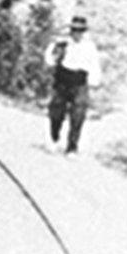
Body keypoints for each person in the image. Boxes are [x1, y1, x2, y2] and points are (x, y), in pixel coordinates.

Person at [44, 15, 102, 154]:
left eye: (80, 30)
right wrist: (54, 53)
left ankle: (72, 147)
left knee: (78, 115)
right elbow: (49, 59)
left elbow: (94, 64)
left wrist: (94, 81)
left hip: (79, 81)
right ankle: (54, 139)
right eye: (74, 30)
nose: (77, 33)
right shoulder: (62, 43)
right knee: (56, 112)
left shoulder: (89, 47)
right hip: (63, 79)